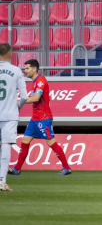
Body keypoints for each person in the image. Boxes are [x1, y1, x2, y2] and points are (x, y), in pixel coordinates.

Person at [9, 59, 71, 176]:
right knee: (25, 141)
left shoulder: (41, 80)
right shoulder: (36, 81)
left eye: (27, 68)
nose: (25, 71)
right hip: (35, 118)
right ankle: (17, 169)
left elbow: (36, 98)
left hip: (43, 118)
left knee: (51, 142)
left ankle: (66, 167)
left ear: (34, 69)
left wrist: (19, 101)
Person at [0, 44, 28, 191]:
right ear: (10, 54)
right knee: (6, 146)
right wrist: (18, 107)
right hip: (9, 115)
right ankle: (1, 181)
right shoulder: (16, 70)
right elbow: (24, 96)